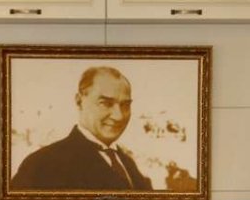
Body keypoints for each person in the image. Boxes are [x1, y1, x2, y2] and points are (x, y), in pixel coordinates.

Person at [11, 66, 153, 191]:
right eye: (106, 103)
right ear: (79, 101)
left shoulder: (127, 162)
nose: (119, 116)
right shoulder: (43, 164)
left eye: (125, 105)